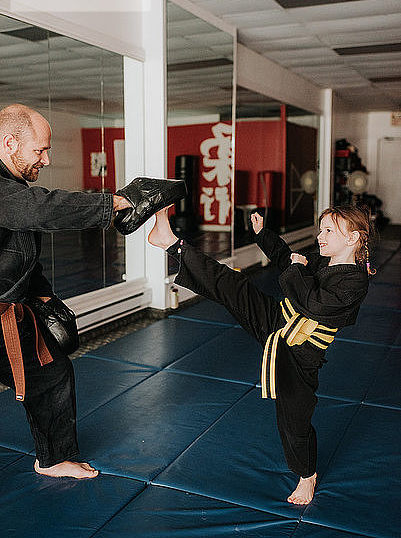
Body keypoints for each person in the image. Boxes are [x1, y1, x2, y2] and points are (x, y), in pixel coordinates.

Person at [0, 103, 184, 479]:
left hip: (8, 308)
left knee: (51, 372)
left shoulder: (13, 188)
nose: (47, 159)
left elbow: (20, 254)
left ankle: (53, 458)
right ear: (9, 143)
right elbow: (40, 209)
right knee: (49, 374)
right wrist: (118, 201)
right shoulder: (10, 194)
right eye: (40, 150)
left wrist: (45, 299)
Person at [148, 204, 375, 505]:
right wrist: (262, 234)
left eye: (328, 230)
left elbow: (316, 305)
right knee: (232, 284)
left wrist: (297, 268)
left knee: (294, 419)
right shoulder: (323, 261)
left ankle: (307, 475)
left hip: (299, 354)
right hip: (276, 319)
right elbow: (285, 258)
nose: (320, 235)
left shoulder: (355, 280)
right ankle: (171, 243)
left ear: (353, 238)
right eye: (321, 229)